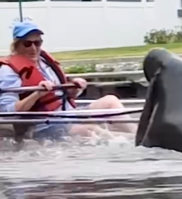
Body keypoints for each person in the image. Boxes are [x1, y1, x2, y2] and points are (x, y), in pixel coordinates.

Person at [0, 21, 136, 141]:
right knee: (89, 129)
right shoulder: (9, 71)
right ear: (17, 45)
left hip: (69, 114)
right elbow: (9, 111)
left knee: (110, 101)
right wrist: (36, 94)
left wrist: (75, 88)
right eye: (27, 44)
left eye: (37, 43)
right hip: (46, 123)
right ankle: (125, 145)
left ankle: (138, 136)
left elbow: (67, 96)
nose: (34, 48)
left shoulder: (45, 63)